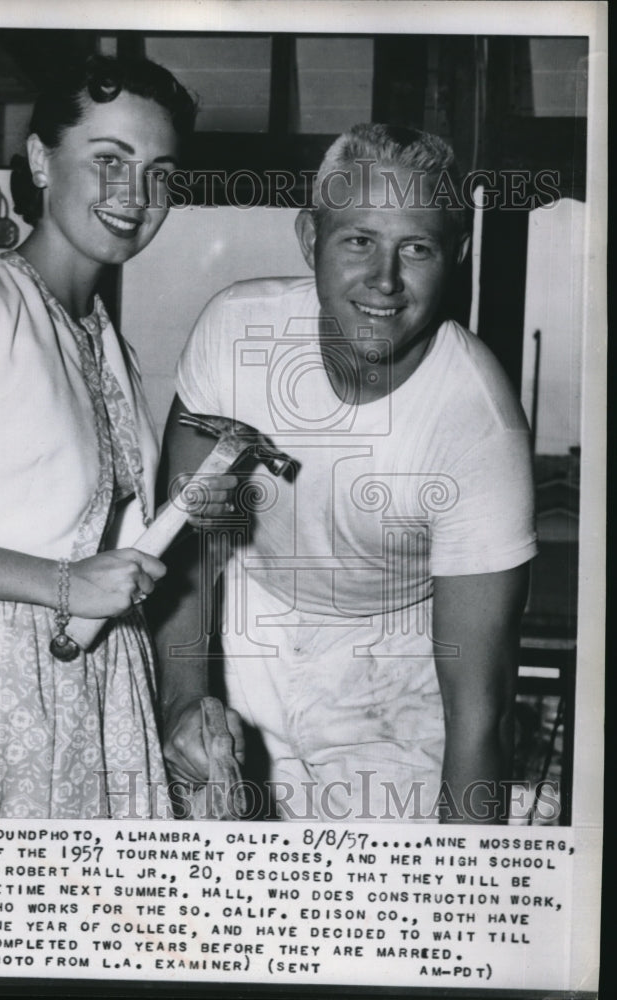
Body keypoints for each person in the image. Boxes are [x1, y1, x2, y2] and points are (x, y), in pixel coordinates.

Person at [0, 54, 230, 819]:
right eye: (109, 161)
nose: (135, 195)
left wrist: (184, 515)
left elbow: (94, 543)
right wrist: (62, 586)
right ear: (37, 161)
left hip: (88, 689)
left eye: (159, 172)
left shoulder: (108, 347)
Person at [155, 123, 536, 824]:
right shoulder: (235, 329)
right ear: (309, 239)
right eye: (357, 240)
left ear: (456, 253)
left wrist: (464, 896)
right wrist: (183, 705)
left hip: (391, 666)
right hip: (248, 630)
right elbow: (184, 554)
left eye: (414, 248)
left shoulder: (479, 425)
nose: (383, 282)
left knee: (388, 906)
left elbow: (481, 711)